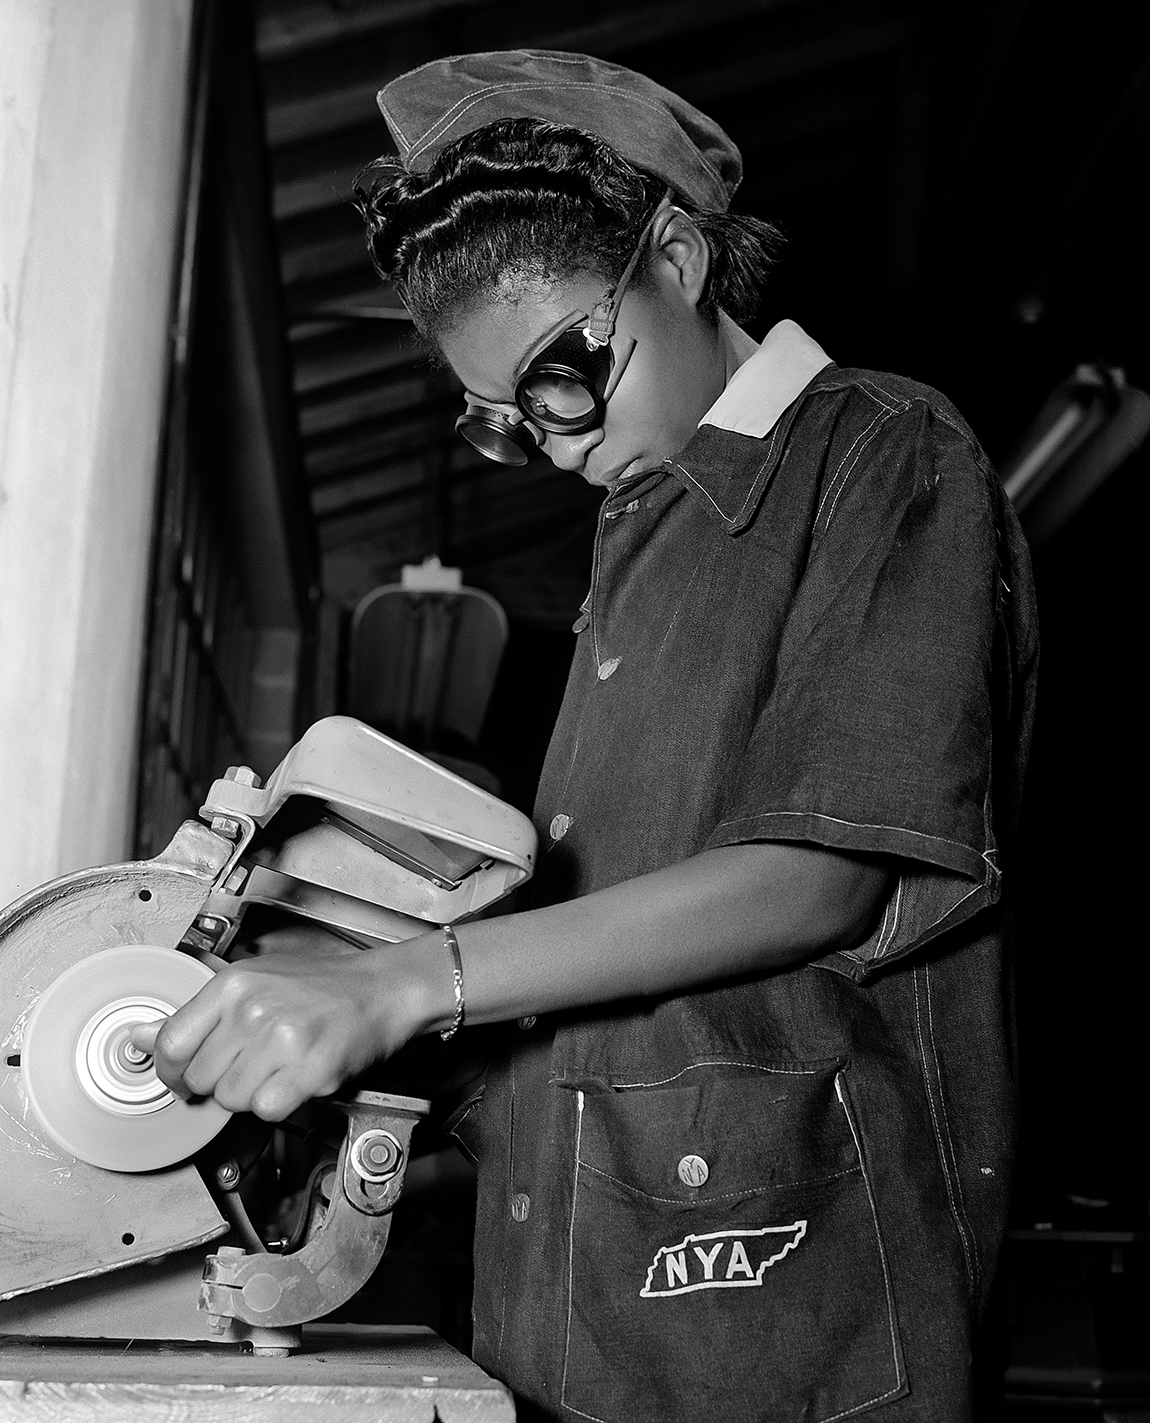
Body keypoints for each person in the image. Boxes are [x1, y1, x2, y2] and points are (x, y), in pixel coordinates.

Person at [137, 51, 1038, 1422]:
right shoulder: (638, 542)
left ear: (675, 258)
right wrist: (325, 982)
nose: (553, 444)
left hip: (783, 1316)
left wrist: (405, 985)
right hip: (574, 1302)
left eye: (563, 376)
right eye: (506, 420)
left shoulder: (881, 453)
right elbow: (584, 964)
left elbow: (816, 876)